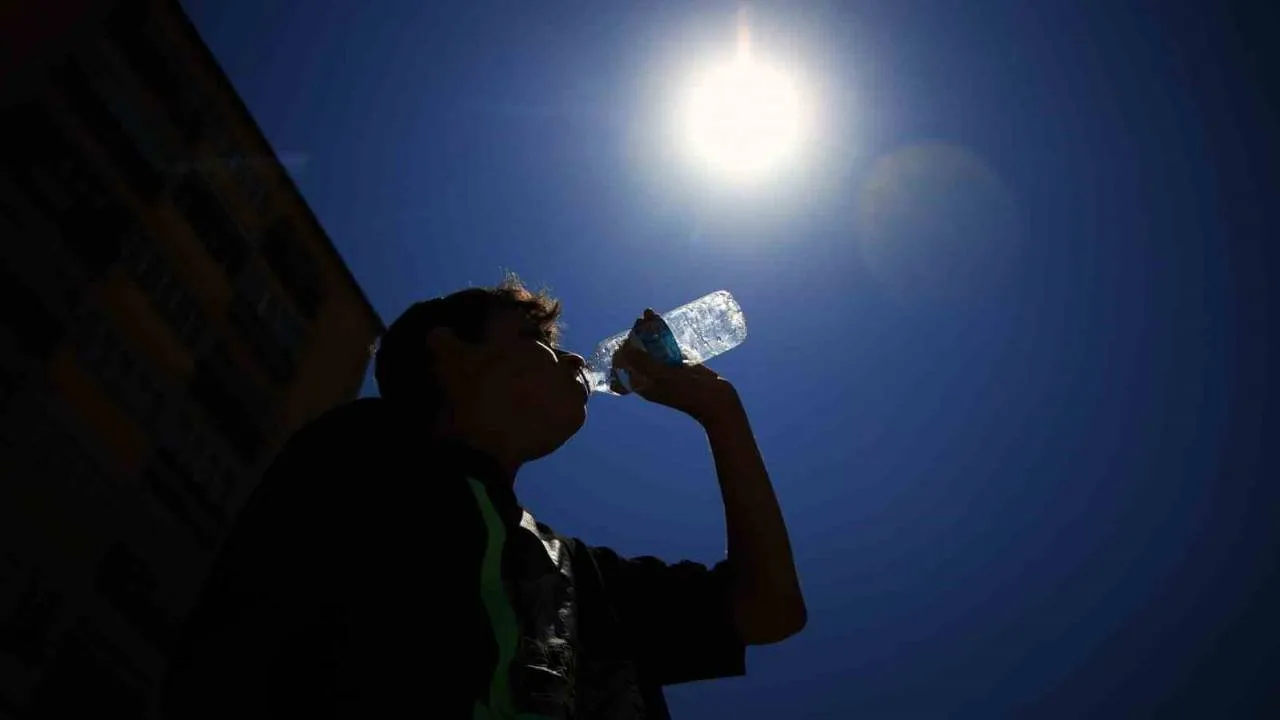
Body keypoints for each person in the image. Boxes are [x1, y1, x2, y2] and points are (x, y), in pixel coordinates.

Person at [158, 274, 806, 719]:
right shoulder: (365, 455)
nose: (574, 360)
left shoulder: (577, 577)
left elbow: (769, 610)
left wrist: (719, 411)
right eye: (538, 342)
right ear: (450, 353)